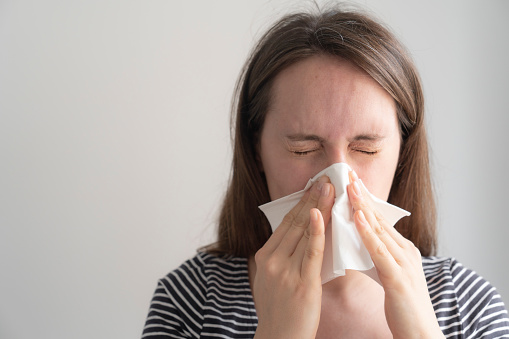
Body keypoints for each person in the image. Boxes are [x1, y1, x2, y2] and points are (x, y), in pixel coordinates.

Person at [142, 5, 509, 339]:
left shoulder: (469, 306)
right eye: (303, 148)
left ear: (402, 153)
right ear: (256, 150)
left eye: (366, 148)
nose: (337, 179)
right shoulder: (189, 303)